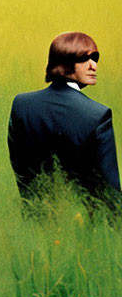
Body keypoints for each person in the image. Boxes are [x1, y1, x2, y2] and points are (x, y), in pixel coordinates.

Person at [7, 32, 120, 204]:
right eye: (84, 58)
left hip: (33, 217)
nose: (94, 66)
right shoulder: (97, 115)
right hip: (82, 224)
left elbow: (19, 167)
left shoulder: (21, 104)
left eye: (95, 58)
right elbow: (110, 192)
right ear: (64, 62)